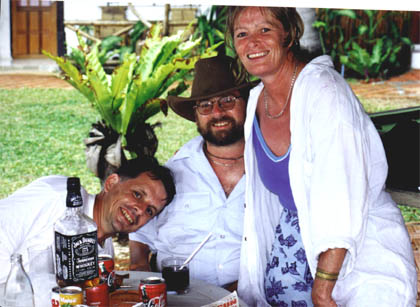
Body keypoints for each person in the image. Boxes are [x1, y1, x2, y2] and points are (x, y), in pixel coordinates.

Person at [225, 6, 417, 307]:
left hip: (357, 251)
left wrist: (323, 287)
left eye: (265, 30)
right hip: (292, 248)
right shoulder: (255, 102)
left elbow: (341, 197)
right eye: (242, 34)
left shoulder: (325, 92)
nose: (253, 43)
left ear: (288, 34)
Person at [129, 53, 255, 290]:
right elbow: (140, 234)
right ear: (195, 115)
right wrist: (140, 273)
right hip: (175, 297)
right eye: (205, 105)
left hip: (246, 299)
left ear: (246, 103)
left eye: (227, 100)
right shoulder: (173, 172)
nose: (217, 112)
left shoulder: (270, 170)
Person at [0, 156, 175, 284]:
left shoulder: (104, 254)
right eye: (137, 194)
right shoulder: (59, 196)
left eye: (150, 211)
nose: (140, 209)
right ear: (111, 183)